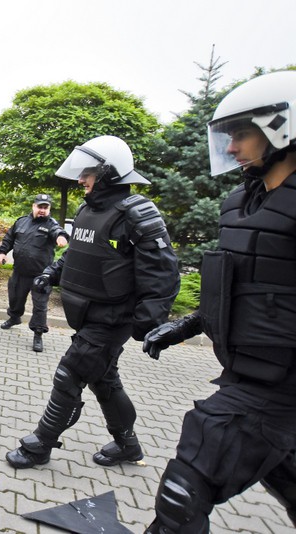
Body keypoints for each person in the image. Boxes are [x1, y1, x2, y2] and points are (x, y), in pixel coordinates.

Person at [142, 71, 296, 533]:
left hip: (276, 387)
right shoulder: (244, 205)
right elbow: (242, 285)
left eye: (242, 135)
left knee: (182, 493)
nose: (231, 149)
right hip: (251, 371)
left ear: (282, 130)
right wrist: (187, 325)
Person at [4, 135, 180, 471]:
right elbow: (77, 253)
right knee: (104, 380)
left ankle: (40, 445)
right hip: (87, 314)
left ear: (110, 174)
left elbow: (164, 273)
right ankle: (128, 446)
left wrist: (146, 321)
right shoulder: (88, 210)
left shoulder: (138, 212)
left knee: (69, 374)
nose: (82, 179)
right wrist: (50, 273)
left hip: (113, 318)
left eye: (89, 173)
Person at [0, 193, 69, 352]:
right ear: (33, 206)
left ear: (49, 209)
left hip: (41, 276)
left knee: (40, 306)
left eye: (46, 207)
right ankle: (14, 317)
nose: (42, 210)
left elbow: (58, 231)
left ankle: (38, 334)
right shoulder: (21, 221)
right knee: (15, 297)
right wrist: (2, 252)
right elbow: (9, 238)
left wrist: (62, 237)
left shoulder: (51, 224)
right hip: (20, 271)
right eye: (40, 207)